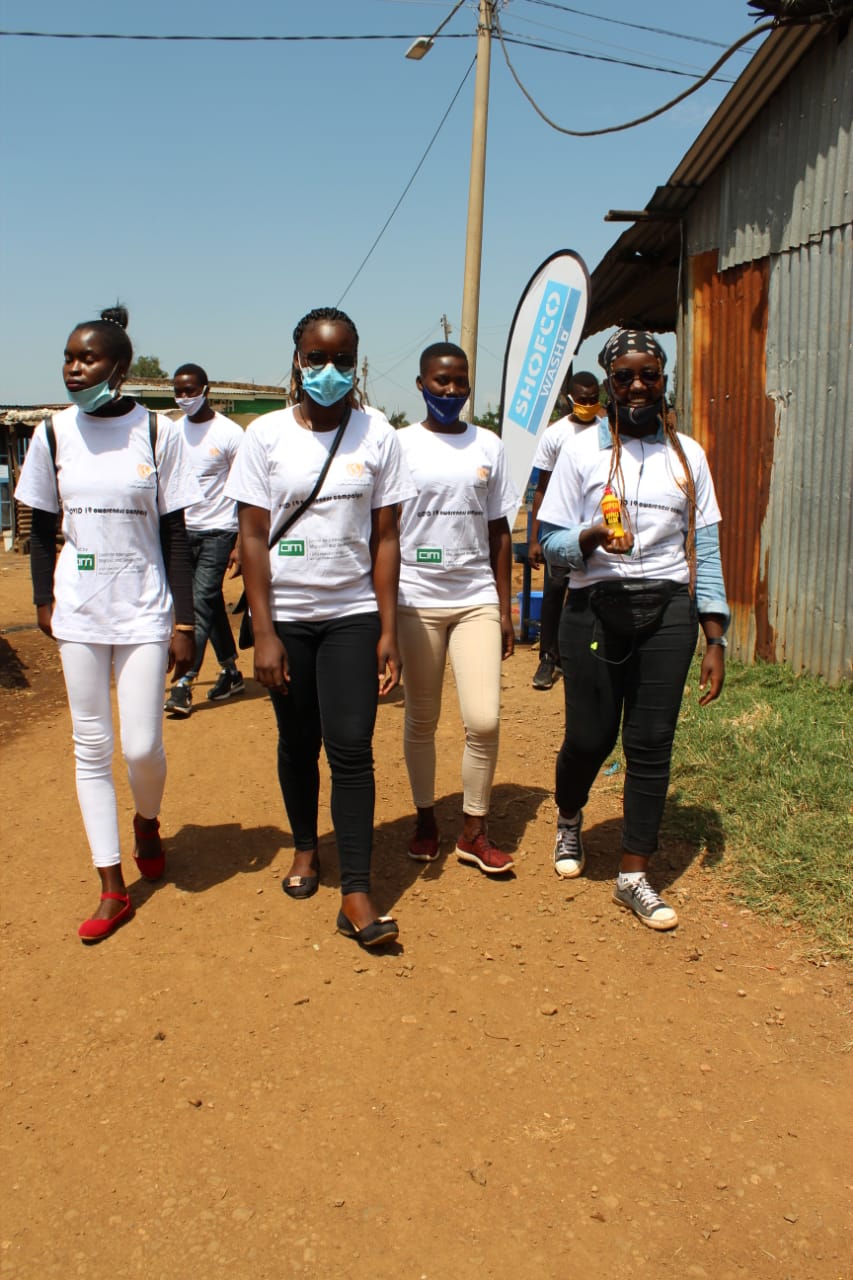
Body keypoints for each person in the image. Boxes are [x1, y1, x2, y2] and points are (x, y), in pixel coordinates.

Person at [225, 307, 416, 947]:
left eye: (340, 359)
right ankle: (306, 846)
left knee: (353, 748)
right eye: (315, 358)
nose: (327, 370)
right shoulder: (266, 436)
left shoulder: (379, 435)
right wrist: (266, 630)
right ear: (297, 360)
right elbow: (252, 535)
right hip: (289, 618)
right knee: (297, 740)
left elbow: (386, 537)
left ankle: (356, 892)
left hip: (353, 615)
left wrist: (388, 628)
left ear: (355, 362)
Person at [14, 305, 201, 943]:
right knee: (90, 747)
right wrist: (45, 600)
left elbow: (176, 532)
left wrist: (184, 619)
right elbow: (39, 526)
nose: (74, 367)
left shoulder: (158, 433)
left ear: (118, 368)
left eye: (87, 358)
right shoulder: (53, 433)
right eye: (68, 356)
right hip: (80, 611)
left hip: (145, 610)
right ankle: (111, 884)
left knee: (141, 746)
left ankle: (147, 818)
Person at [538, 329, 728, 930]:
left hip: (668, 608)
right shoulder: (580, 452)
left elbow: (708, 549)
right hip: (595, 606)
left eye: (650, 375)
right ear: (610, 384)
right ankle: (570, 819)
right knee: (591, 738)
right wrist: (591, 537)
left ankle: (633, 874)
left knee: (651, 743)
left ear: (664, 379)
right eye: (625, 377)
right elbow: (548, 545)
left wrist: (715, 635)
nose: (639, 386)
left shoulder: (688, 455)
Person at [396, 343, 518, 875]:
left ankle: (474, 828)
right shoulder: (397, 446)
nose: (450, 391)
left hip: (475, 599)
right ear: (421, 384)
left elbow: (499, 531)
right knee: (422, 718)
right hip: (414, 598)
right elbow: (381, 529)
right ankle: (426, 819)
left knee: (483, 719)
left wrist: (506, 608)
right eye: (440, 381)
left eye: (459, 382)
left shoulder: (487, 444)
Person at [164, 363, 244, 717]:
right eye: (179, 392)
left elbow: (246, 491)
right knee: (209, 604)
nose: (185, 398)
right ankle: (230, 671)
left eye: (191, 391)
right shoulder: (171, 432)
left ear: (205, 389)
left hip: (219, 530)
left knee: (198, 602)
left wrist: (241, 542)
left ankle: (183, 682)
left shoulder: (228, 433)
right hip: (183, 532)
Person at [528, 371, 603, 690]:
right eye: (581, 400)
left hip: (595, 523)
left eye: (593, 399)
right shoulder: (555, 435)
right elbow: (540, 489)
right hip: (560, 525)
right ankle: (549, 657)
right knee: (555, 588)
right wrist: (534, 537)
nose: (587, 405)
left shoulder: (607, 433)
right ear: (570, 399)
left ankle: (592, 654)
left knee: (596, 590)